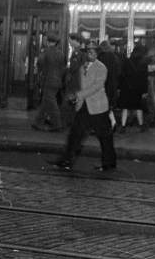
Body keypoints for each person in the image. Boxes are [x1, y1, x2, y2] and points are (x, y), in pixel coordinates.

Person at [53, 40, 117, 172]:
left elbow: (97, 86)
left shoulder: (101, 67)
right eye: (88, 51)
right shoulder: (82, 68)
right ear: (86, 53)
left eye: (93, 51)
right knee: (75, 134)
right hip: (84, 107)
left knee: (104, 137)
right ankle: (66, 161)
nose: (91, 53)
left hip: (98, 107)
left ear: (97, 53)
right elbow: (78, 83)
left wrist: (78, 95)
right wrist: (74, 96)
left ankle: (109, 163)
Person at [31, 33, 67, 131]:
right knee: (45, 102)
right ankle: (37, 122)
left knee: (51, 102)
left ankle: (57, 125)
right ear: (56, 43)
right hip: (57, 81)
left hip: (48, 80)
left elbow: (39, 63)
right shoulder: (61, 53)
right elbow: (63, 68)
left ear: (48, 42)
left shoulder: (45, 52)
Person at [118, 42, 150, 132]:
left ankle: (123, 126)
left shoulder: (127, 61)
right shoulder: (143, 63)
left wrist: (120, 87)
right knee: (138, 107)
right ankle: (141, 126)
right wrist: (145, 91)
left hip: (126, 88)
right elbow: (144, 79)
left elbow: (122, 75)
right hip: (137, 89)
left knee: (125, 107)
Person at [61, 33, 86, 129]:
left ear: (75, 40)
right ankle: (73, 123)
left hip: (74, 82)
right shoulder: (81, 51)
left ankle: (66, 124)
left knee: (67, 104)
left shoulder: (76, 52)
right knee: (74, 103)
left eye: (70, 40)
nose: (69, 42)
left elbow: (73, 67)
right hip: (78, 82)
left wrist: (67, 69)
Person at [97, 39, 123, 129]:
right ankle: (112, 122)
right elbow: (119, 72)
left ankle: (107, 124)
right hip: (112, 85)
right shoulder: (115, 57)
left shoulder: (101, 57)